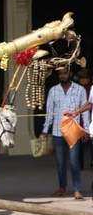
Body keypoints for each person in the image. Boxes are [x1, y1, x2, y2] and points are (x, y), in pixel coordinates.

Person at [42, 68, 89, 200]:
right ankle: (62, 188)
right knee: (60, 163)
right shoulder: (53, 91)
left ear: (70, 74)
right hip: (57, 132)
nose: (63, 76)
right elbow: (49, 112)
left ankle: (77, 190)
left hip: (73, 130)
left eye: (65, 73)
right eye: (60, 74)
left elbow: (84, 111)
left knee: (74, 162)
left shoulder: (79, 90)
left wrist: (85, 129)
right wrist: (45, 131)